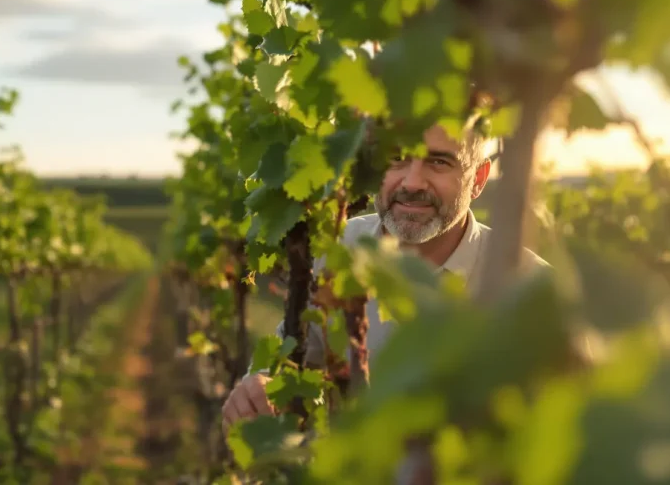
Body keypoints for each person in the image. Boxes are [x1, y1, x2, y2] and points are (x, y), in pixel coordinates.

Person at [220, 120, 548, 433]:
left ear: (478, 178)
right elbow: (291, 356)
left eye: (438, 162)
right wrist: (261, 387)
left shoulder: (532, 291)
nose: (412, 183)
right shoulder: (336, 248)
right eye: (395, 159)